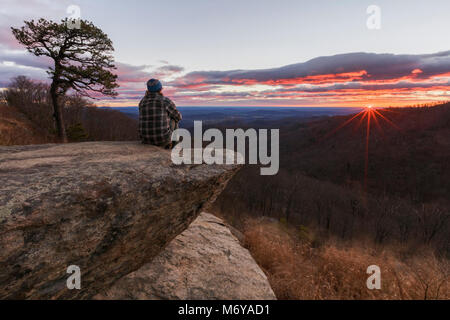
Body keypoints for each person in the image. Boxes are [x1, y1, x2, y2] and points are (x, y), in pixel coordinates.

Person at [138, 79, 182, 148]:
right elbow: (179, 117)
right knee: (174, 119)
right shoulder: (165, 100)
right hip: (162, 140)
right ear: (160, 89)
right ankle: (175, 147)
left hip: (145, 139)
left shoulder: (142, 102)